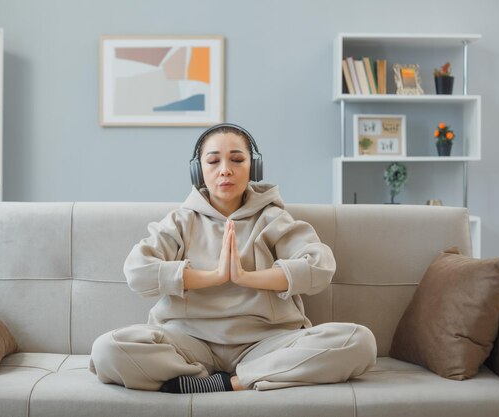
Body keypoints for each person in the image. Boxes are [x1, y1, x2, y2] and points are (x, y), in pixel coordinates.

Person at [89, 123, 377, 393]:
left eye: (237, 160)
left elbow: (320, 266)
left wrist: (247, 277)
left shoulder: (273, 218)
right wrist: (214, 276)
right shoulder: (179, 221)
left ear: (254, 167)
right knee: (108, 349)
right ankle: (231, 376)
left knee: (359, 342)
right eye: (213, 161)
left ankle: (230, 383)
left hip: (267, 341)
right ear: (198, 171)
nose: (225, 170)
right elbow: (137, 272)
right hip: (190, 343)